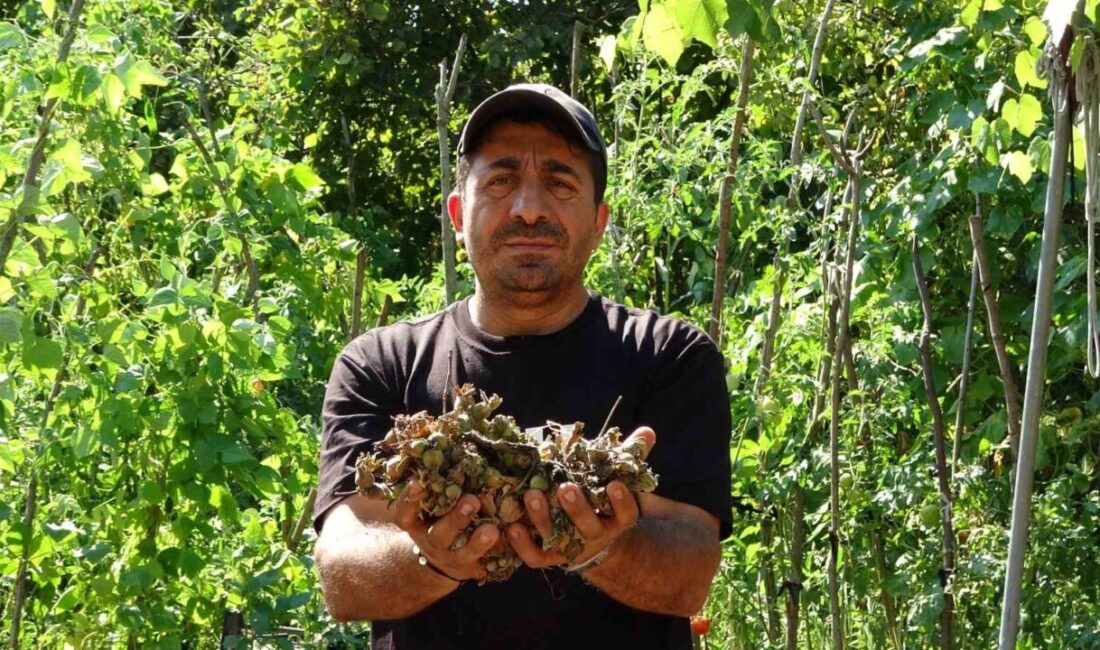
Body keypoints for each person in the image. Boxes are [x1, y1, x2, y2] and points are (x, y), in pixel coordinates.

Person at [312, 83, 732, 650]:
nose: (529, 208)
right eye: (501, 180)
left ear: (599, 220)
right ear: (459, 214)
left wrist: (604, 547)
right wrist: (434, 558)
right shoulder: (381, 366)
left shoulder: (669, 358)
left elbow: (691, 577)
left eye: (559, 183)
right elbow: (342, 576)